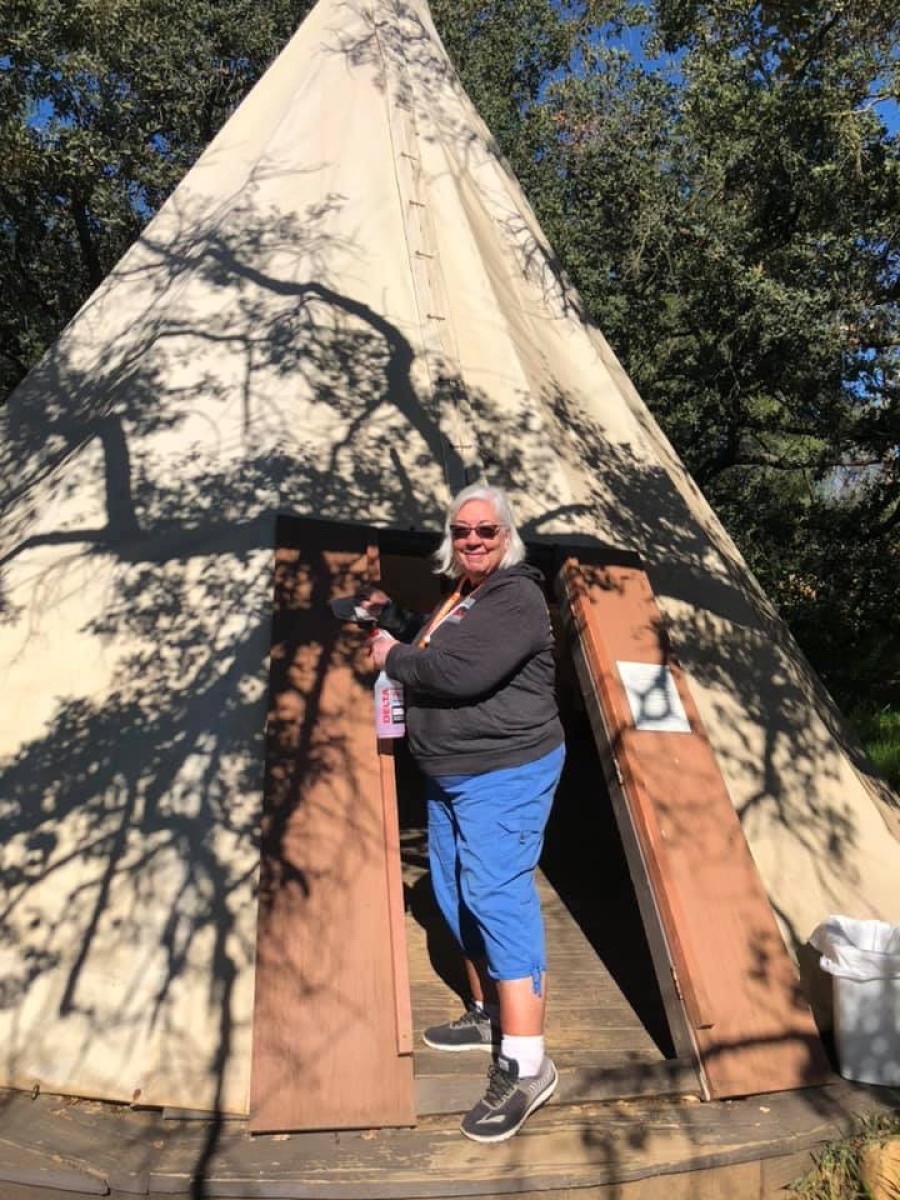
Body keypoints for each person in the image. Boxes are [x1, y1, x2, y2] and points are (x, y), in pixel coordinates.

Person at [366, 483, 565, 1143]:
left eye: (486, 530)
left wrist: (391, 657)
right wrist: (394, 616)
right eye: (461, 530)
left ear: (508, 536)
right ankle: (488, 1013)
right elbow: (438, 646)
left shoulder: (516, 595)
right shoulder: (464, 594)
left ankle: (528, 1064)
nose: (473, 540)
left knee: (498, 897)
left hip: (504, 772)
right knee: (453, 892)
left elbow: (458, 673)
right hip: (452, 774)